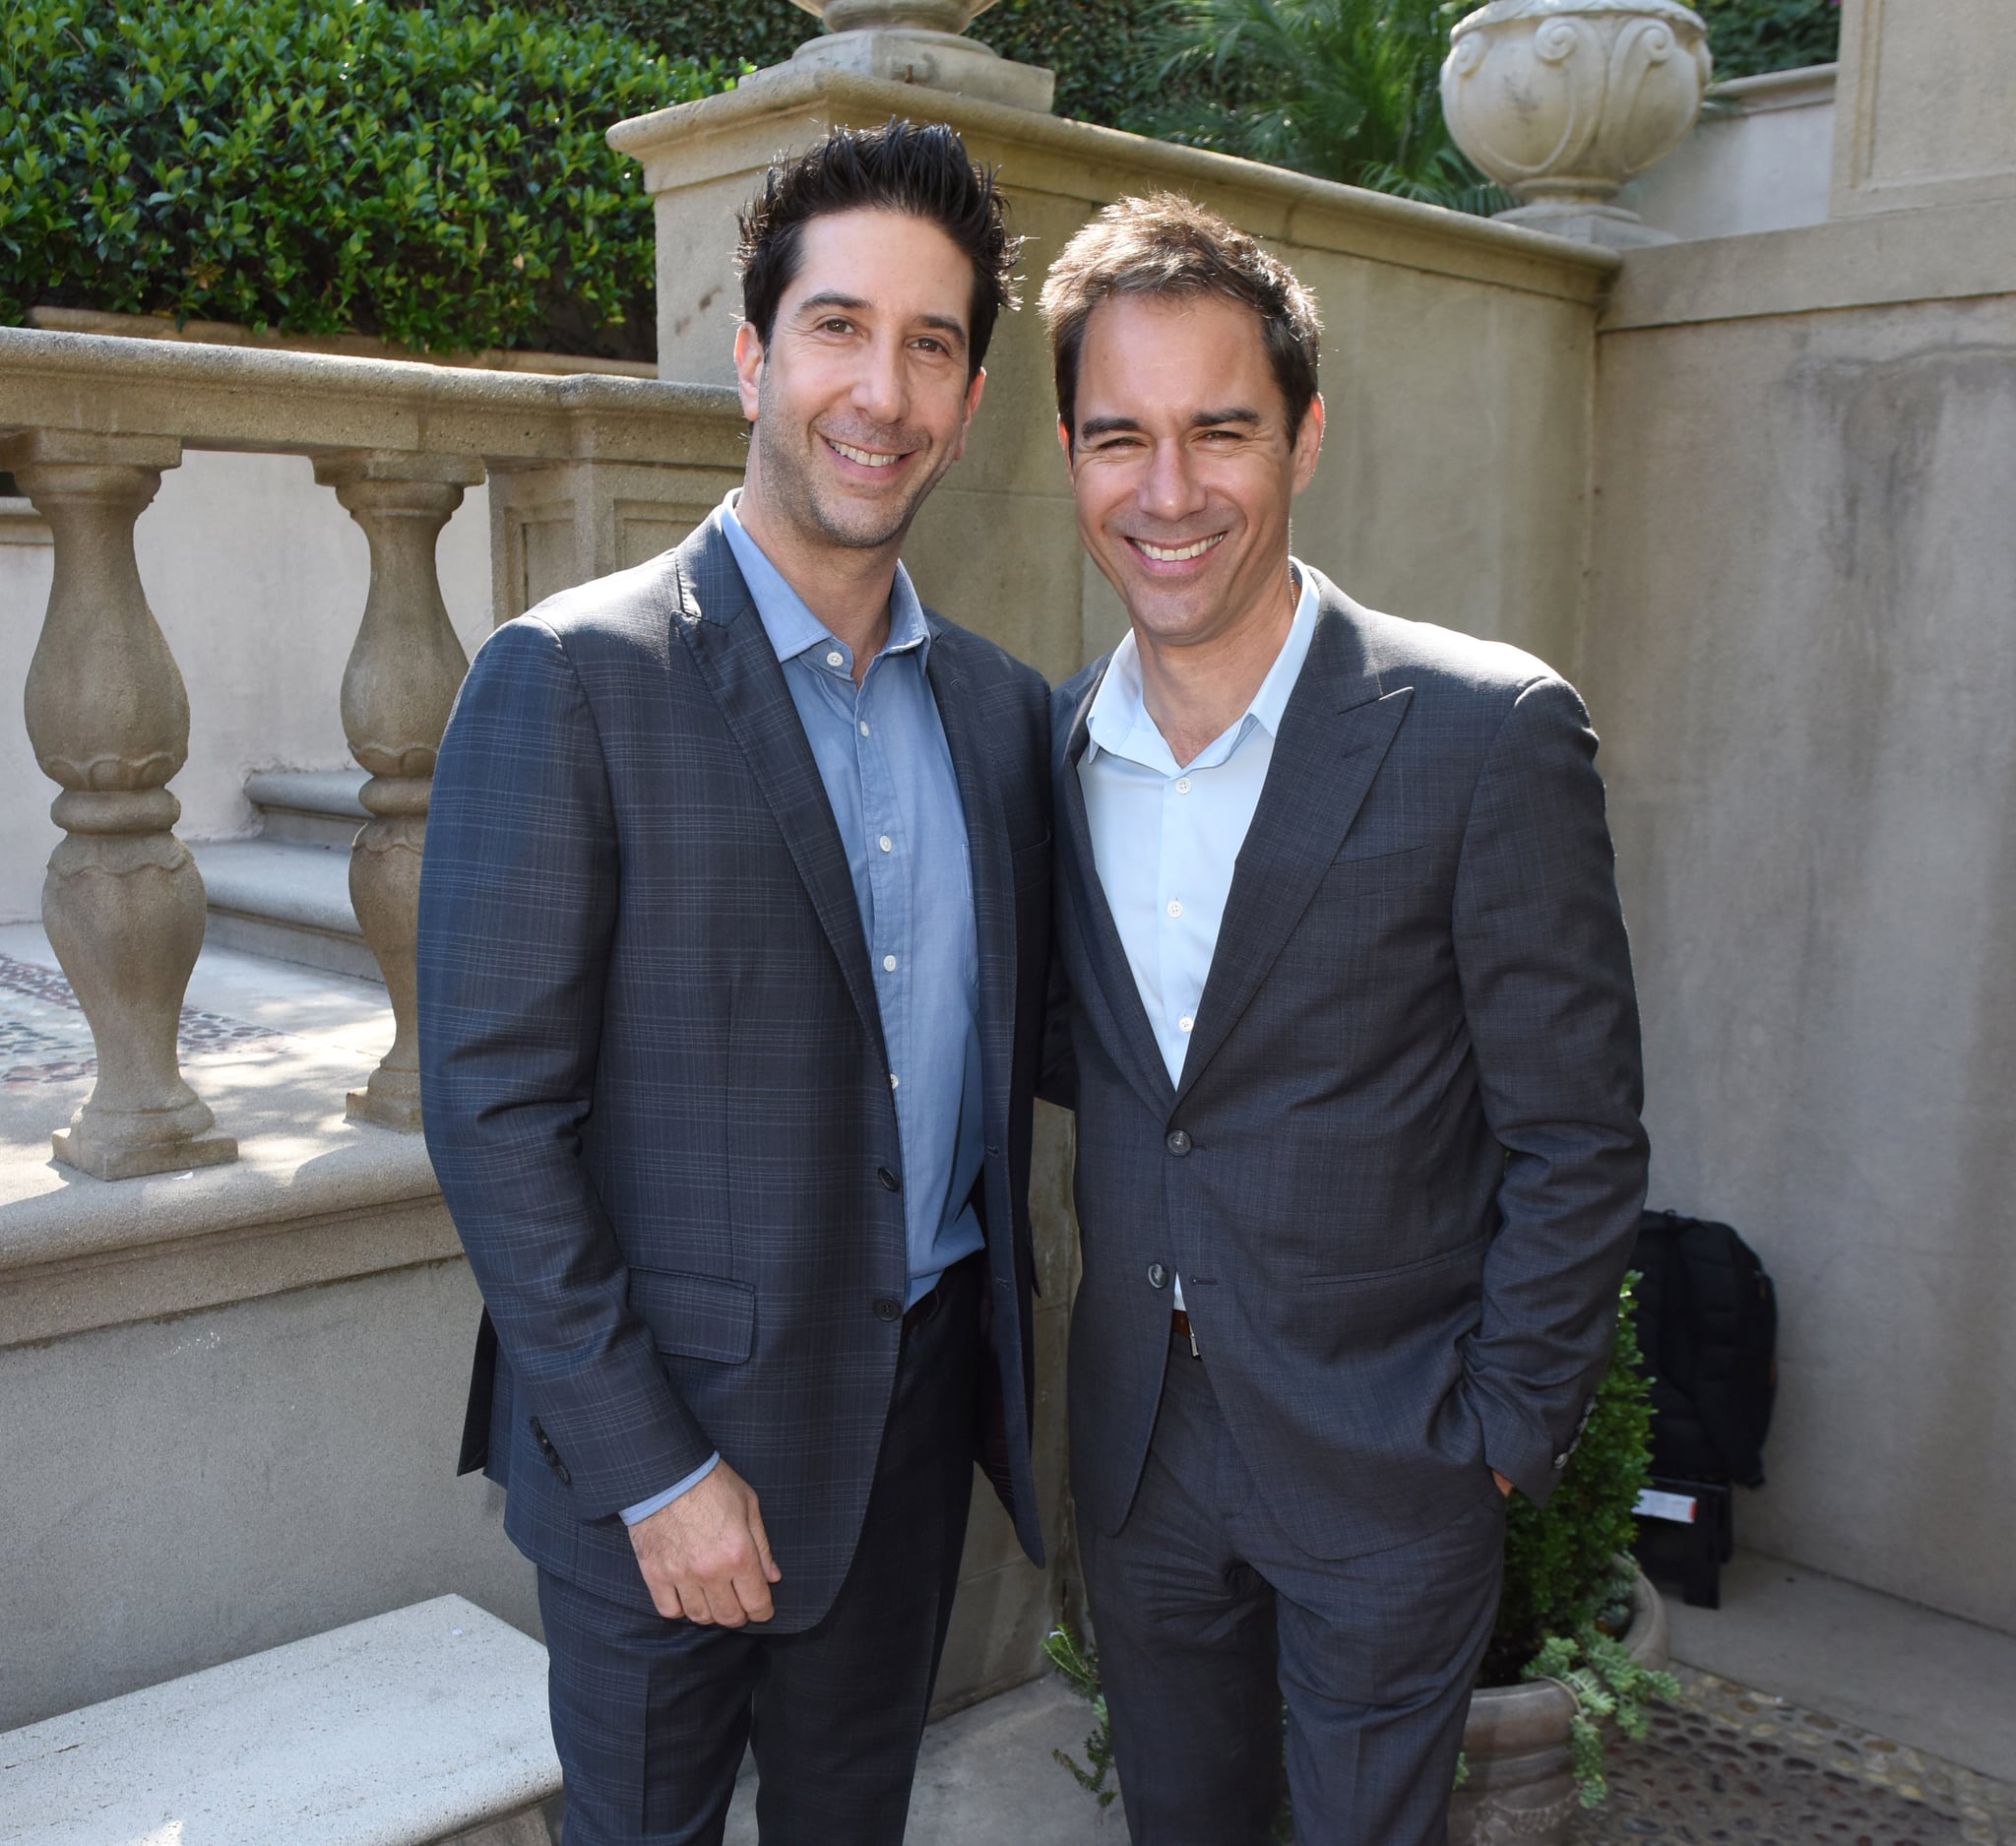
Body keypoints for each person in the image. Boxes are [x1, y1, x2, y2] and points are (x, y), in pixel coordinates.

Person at [417, 121, 1053, 1846]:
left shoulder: (1000, 716)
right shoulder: (571, 678)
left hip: (911, 1441)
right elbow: (491, 1115)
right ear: (754, 353)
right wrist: (651, 1466)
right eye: (841, 327)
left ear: (972, 396)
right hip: (659, 1468)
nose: (883, 389)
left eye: (932, 343)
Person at [1038, 193, 1650, 1845]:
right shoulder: (1047, 751)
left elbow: (1577, 1134)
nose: (1169, 493)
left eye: (1219, 430)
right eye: (1120, 438)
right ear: (1074, 458)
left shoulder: (1481, 732)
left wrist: (1498, 1441)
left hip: (1394, 1460)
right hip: (1145, 1455)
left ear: (1303, 437)